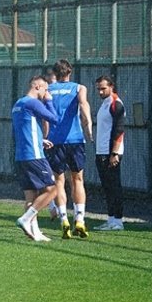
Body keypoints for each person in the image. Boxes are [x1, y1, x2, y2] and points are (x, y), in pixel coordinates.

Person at [46, 59, 92, 239]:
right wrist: (88, 126)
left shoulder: (48, 90)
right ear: (70, 72)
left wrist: (45, 136)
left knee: (59, 181)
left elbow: (43, 116)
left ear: (55, 74)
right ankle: (79, 219)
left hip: (54, 141)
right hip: (75, 139)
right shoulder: (79, 88)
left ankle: (63, 219)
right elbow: (83, 105)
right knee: (77, 179)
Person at [12, 75, 59, 241]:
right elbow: (54, 119)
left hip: (21, 155)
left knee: (31, 196)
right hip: (34, 155)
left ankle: (35, 232)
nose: (46, 93)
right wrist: (49, 101)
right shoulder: (33, 102)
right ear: (38, 86)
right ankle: (25, 219)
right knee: (53, 189)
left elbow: (22, 129)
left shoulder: (18, 104)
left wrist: (40, 140)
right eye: (45, 89)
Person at [93, 75, 126, 231]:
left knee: (114, 186)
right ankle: (111, 219)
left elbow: (119, 130)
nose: (100, 92)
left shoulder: (116, 104)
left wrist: (114, 153)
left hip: (110, 153)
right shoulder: (104, 104)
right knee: (107, 187)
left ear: (111, 87)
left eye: (103, 88)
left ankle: (118, 221)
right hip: (101, 151)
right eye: (98, 89)